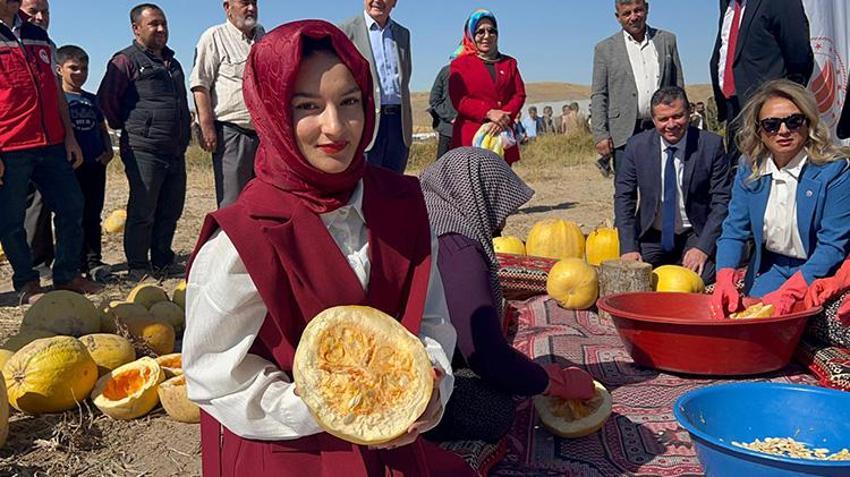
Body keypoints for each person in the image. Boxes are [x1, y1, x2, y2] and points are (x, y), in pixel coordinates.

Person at [182, 20, 476, 477]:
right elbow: (212, 373)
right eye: (307, 106)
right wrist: (330, 407)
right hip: (292, 457)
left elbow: (433, 320)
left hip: (395, 451)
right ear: (271, 113)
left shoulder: (403, 205)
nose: (335, 127)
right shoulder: (242, 238)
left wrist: (430, 385)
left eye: (350, 102)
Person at [420, 147, 595, 443]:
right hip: (406, 378)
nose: (501, 224)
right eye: (499, 209)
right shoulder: (456, 248)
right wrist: (552, 383)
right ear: (478, 197)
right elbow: (485, 354)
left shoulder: (426, 216)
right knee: (493, 410)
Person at [712, 80, 850, 317]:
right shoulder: (750, 170)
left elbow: (832, 245)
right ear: (759, 131)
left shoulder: (834, 171)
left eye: (793, 121)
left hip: (820, 270)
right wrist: (724, 275)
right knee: (743, 317)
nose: (783, 131)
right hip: (774, 266)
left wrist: (794, 289)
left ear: (808, 123)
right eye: (771, 125)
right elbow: (734, 230)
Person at [0, 1, 103, 303]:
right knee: (11, 219)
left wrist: (69, 136)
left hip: (52, 144)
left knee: (73, 206)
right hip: (10, 145)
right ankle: (27, 282)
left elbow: (55, 90)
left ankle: (67, 274)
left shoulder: (39, 36)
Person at [98, 3, 190, 280]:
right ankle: (138, 266)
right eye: (154, 24)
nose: (161, 29)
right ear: (136, 28)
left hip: (174, 148)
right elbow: (107, 101)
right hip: (143, 149)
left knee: (171, 208)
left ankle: (162, 259)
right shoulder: (125, 61)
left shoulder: (173, 63)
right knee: (143, 210)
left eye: (163, 23)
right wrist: (132, 126)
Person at [615, 87, 731, 284]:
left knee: (699, 279)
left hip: (693, 231)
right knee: (631, 279)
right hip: (652, 233)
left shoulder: (711, 146)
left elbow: (722, 201)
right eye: (663, 119)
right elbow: (624, 198)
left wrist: (703, 248)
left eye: (677, 116)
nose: (671, 124)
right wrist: (629, 248)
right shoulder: (637, 146)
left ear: (689, 113)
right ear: (653, 120)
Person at [709, 0, 813, 160]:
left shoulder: (777, 3)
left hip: (769, 113)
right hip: (734, 108)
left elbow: (799, 56)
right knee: (740, 172)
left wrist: (783, 99)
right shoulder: (727, 5)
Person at [591, 0, 684, 176]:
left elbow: (677, 84)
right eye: (627, 13)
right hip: (624, 132)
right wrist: (600, 134)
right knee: (626, 190)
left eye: (638, 10)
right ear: (618, 17)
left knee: (664, 183)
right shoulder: (605, 49)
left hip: (663, 128)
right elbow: (599, 94)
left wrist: (681, 120)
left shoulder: (666, 40)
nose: (633, 17)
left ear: (647, 10)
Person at [190, 0, 264, 209]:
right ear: (227, 7)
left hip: (262, 135)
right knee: (232, 204)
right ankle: (230, 241)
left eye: (255, 3)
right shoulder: (214, 37)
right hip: (231, 134)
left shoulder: (262, 36)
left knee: (261, 200)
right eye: (244, 3)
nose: (251, 8)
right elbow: (200, 84)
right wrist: (206, 126)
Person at [56, 45, 116, 283]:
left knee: (93, 214)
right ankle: (72, 263)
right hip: (70, 167)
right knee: (71, 215)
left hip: (95, 165)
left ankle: (93, 261)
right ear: (59, 69)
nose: (79, 73)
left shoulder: (92, 100)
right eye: (73, 68)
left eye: (84, 68)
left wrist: (108, 152)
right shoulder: (58, 99)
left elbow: (103, 129)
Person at [339, 0, 412, 173]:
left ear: (394, 2)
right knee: (365, 187)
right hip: (366, 121)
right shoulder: (346, 31)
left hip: (397, 124)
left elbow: (405, 77)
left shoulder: (402, 34)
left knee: (393, 187)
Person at [449, 9, 526, 165]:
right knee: (471, 187)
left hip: (501, 135)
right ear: (471, 34)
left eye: (491, 31)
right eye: (480, 31)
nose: (486, 36)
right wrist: (489, 113)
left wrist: (503, 118)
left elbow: (519, 94)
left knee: (499, 186)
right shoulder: (460, 65)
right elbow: (459, 100)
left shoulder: (509, 63)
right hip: (470, 138)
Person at [21, 0, 54, 275]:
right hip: (16, 139)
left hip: (49, 139)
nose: (41, 17)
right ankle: (32, 267)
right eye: (34, 11)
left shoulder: (46, 45)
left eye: (46, 12)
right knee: (27, 205)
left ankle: (49, 264)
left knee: (50, 203)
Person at [428, 64, 456, 160]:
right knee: (443, 168)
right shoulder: (447, 71)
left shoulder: (478, 72)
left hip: (473, 131)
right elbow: (434, 100)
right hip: (448, 130)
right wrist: (451, 117)